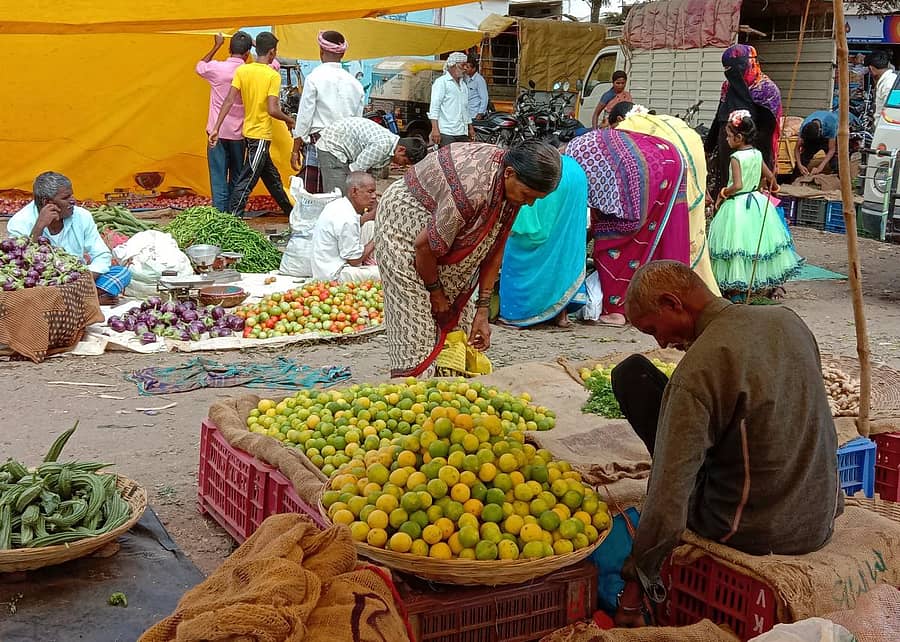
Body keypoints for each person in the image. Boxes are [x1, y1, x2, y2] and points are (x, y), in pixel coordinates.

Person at [609, 260, 842, 628]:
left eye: (654, 329)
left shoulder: (699, 369)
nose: (662, 343)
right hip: (818, 519)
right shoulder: (788, 321)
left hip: (752, 528)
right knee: (635, 374)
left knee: (639, 386)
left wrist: (636, 585)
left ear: (673, 303)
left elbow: (668, 495)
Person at [374, 141, 561, 377]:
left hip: (438, 233)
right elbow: (423, 248)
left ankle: (447, 392)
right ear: (510, 174)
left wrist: (482, 312)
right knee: (415, 324)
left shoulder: (509, 187)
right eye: (527, 195)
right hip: (403, 227)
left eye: (536, 199)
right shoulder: (473, 190)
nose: (530, 203)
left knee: (458, 328)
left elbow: (494, 249)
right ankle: (413, 391)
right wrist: (436, 292)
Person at [567, 127, 691, 326]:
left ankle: (616, 311)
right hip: (669, 159)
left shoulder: (575, 157)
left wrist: (583, 239)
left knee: (615, 246)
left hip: (645, 174)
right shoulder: (594, 142)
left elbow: (591, 205)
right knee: (656, 238)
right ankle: (654, 307)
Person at [614, 104, 722, 297]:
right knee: (690, 235)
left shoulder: (630, 127)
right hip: (691, 187)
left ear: (620, 120)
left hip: (667, 187)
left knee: (662, 236)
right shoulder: (671, 124)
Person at [708, 110, 802, 301]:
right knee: (756, 246)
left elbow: (737, 185)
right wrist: (767, 188)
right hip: (758, 204)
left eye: (728, 135)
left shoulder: (736, 158)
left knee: (736, 245)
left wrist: (723, 193)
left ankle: (736, 291)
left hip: (738, 205)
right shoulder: (757, 154)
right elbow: (772, 181)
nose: (726, 139)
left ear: (739, 137)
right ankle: (759, 285)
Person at [7, 172, 131, 305]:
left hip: (78, 278)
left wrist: (82, 280)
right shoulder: (20, 222)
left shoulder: (82, 216)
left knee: (122, 273)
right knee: (16, 289)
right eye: (66, 197)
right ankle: (89, 299)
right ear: (47, 203)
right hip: (43, 283)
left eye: (72, 194)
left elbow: (102, 254)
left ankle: (68, 300)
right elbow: (20, 264)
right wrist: (38, 228)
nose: (73, 200)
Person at [498, 151, 588, 328]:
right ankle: (560, 314)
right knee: (565, 246)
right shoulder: (575, 167)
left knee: (523, 246)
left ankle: (521, 314)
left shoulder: (536, 172)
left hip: (556, 186)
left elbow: (524, 227)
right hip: (575, 187)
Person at [209, 32, 295, 219]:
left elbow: (229, 101)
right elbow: (273, 109)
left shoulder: (243, 71)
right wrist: (290, 120)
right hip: (260, 134)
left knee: (272, 178)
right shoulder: (272, 75)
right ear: (272, 52)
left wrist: (216, 127)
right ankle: (234, 218)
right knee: (247, 180)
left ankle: (291, 212)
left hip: (248, 132)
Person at [291, 31, 365, 194]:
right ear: (343, 53)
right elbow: (358, 123)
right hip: (345, 147)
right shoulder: (355, 84)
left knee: (315, 196)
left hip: (319, 144)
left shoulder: (314, 78)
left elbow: (304, 118)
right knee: (339, 194)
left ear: (321, 52)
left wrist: (295, 150)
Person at [706, 44, 782, 197]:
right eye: (726, 70)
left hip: (751, 155)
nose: (729, 74)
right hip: (727, 151)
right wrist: (707, 148)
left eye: (733, 69)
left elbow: (766, 135)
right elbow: (718, 118)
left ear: (749, 65)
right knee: (723, 188)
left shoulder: (765, 90)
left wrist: (764, 169)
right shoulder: (728, 86)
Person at [195, 31, 254, 212]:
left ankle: (220, 217)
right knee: (236, 177)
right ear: (247, 53)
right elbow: (273, 63)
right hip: (239, 133)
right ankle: (234, 215)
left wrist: (216, 45)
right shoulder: (249, 72)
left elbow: (199, 66)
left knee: (218, 177)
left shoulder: (216, 69)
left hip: (216, 132)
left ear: (229, 49)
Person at [315, 117, 427, 195]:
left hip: (344, 147)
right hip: (333, 145)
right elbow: (354, 172)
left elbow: (370, 173)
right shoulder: (382, 146)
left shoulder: (391, 144)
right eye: (404, 161)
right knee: (337, 194)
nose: (402, 165)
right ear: (401, 149)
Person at [310, 172, 380, 282]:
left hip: (324, 267)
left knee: (370, 226)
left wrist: (375, 214)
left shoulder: (339, 204)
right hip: (334, 275)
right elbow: (354, 260)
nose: (374, 196)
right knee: (383, 273)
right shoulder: (347, 218)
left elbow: (358, 223)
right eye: (370, 192)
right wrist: (378, 237)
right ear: (354, 191)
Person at [429, 52, 474, 148]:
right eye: (463, 65)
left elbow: (465, 109)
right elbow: (434, 108)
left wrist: (470, 128)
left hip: (462, 132)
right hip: (447, 132)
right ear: (453, 65)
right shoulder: (441, 82)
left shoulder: (463, 85)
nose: (465, 68)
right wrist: (435, 129)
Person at [796, 110, 839, 176]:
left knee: (835, 163)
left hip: (827, 138)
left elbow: (831, 150)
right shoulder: (805, 126)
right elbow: (797, 148)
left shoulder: (830, 123)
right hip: (814, 135)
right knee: (802, 160)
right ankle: (795, 178)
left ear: (820, 131)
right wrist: (799, 165)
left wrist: (820, 167)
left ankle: (837, 177)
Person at [866, 50, 897, 124]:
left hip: (886, 129)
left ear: (871, 69)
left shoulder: (888, 84)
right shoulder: (891, 80)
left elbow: (891, 113)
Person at [464, 56, 489, 120]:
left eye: (467, 67)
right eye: (465, 66)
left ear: (474, 69)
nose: (465, 68)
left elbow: (484, 98)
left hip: (474, 114)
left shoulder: (479, 80)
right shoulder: (466, 78)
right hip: (467, 113)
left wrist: (480, 113)